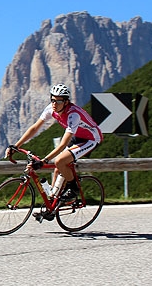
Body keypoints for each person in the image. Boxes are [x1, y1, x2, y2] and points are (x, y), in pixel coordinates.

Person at [5, 84, 103, 214]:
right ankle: (52, 206)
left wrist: (44, 161)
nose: (54, 104)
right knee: (58, 169)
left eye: (58, 101)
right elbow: (35, 128)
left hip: (91, 138)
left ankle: (73, 189)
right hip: (78, 136)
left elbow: (62, 144)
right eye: (52, 100)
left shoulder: (73, 115)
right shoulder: (51, 109)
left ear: (66, 102)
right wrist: (16, 146)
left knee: (59, 161)